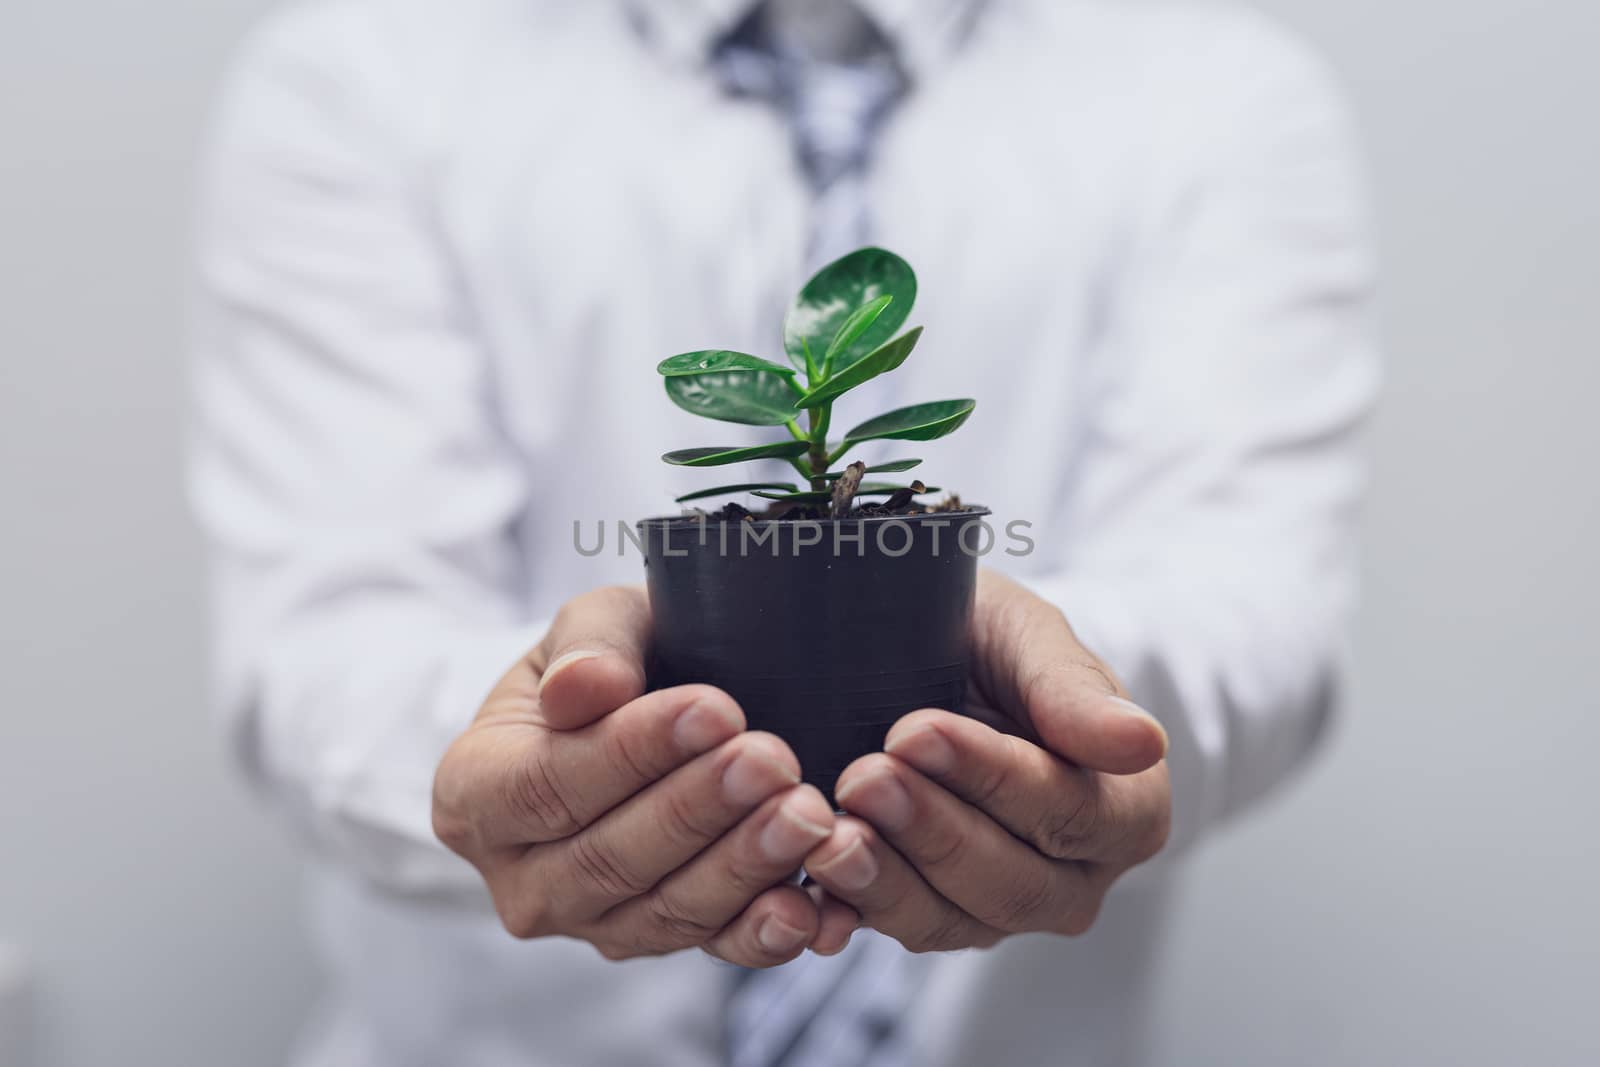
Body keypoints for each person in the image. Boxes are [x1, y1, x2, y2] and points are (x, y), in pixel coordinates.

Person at [189, 0, 1378, 1064]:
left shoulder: (1213, 90)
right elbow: (325, 649)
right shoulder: (368, 69)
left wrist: (1020, 692)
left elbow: (1249, 611)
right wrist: (596, 736)